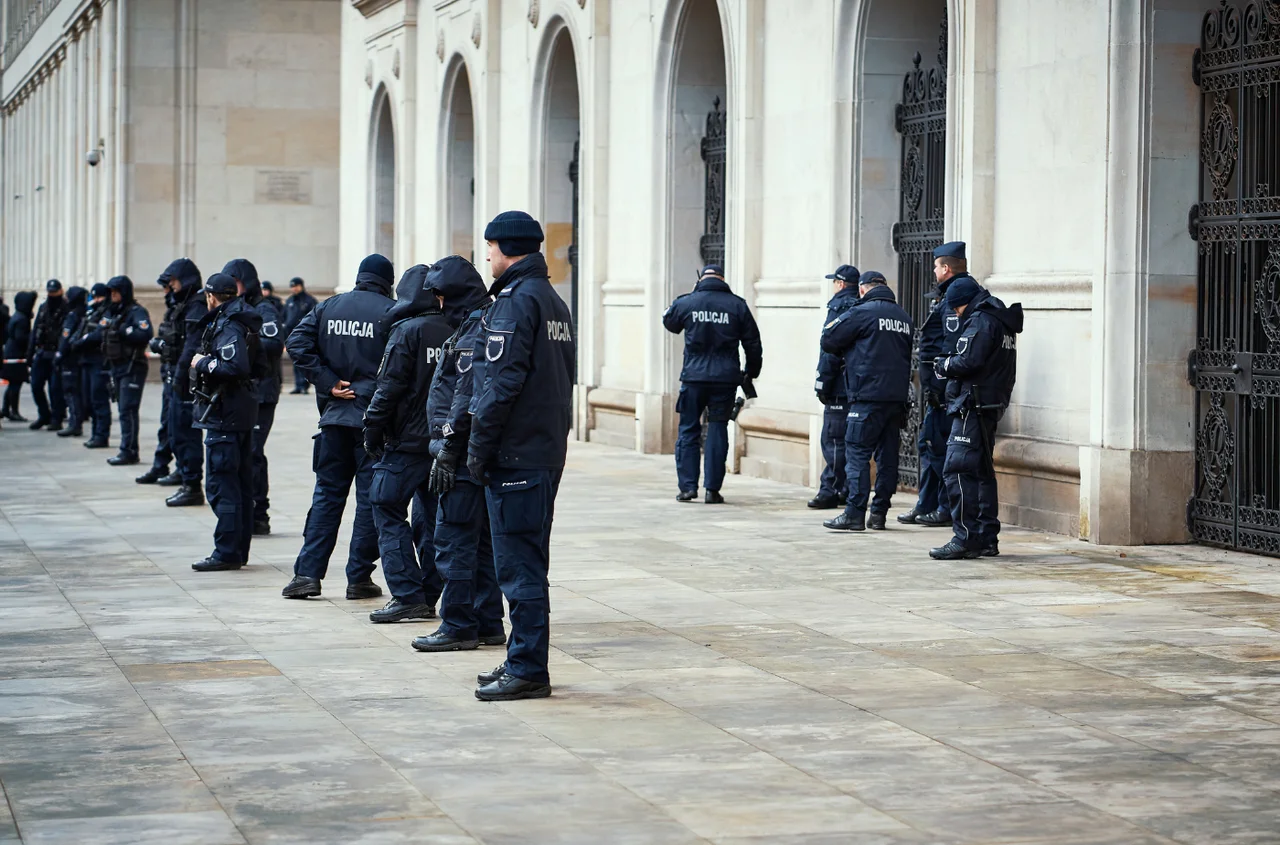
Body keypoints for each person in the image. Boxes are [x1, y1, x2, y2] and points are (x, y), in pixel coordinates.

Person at [468, 211, 574, 702]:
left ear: (506, 248)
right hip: (542, 450)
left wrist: (475, 449)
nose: (485, 255)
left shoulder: (516, 303)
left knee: (519, 565)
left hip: (516, 455)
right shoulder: (552, 300)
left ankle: (529, 667)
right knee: (527, 558)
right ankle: (520, 657)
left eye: (489, 247)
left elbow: (499, 384)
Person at [281, 255, 395, 601]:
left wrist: (328, 382)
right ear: (387, 281)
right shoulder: (391, 312)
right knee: (368, 502)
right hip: (371, 423)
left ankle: (306, 575)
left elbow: (296, 343)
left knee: (327, 497)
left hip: (334, 420)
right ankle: (358, 578)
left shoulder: (330, 306)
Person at [415, 257, 507, 653]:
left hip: (462, 454)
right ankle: (487, 621)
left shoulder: (473, 330)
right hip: (473, 451)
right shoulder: (478, 321)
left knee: (454, 541)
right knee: (482, 542)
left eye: (439, 296)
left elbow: (466, 394)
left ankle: (457, 625)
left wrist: (447, 449)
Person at [362, 263, 458, 624]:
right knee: (432, 519)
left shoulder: (406, 331)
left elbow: (388, 389)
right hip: (440, 445)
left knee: (385, 506)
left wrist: (371, 429)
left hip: (404, 444)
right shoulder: (454, 327)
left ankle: (407, 594)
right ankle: (430, 591)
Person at [930, 277, 1023, 560]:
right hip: (988, 404)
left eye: (957, 310)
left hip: (972, 404)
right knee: (981, 472)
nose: (957, 315)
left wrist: (944, 365)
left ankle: (965, 538)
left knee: (958, 469)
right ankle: (985, 537)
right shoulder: (1001, 319)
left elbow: (969, 360)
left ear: (965, 303)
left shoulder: (982, 321)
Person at [819, 271, 913, 532]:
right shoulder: (903, 317)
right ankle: (879, 514)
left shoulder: (862, 312)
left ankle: (854, 513)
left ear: (862, 290)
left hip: (866, 396)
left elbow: (828, 339)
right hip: (895, 399)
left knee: (857, 454)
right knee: (888, 457)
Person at [662, 264, 764, 504]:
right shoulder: (737, 305)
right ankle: (712, 489)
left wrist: (690, 294)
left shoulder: (688, 302)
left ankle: (687, 487)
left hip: (693, 378)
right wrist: (751, 373)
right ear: (722, 279)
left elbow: (669, 322)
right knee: (718, 429)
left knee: (688, 429)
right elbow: (753, 343)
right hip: (725, 378)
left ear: (701, 280)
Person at [189, 274, 265, 572]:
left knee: (224, 485)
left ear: (211, 296)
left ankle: (227, 551)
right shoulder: (240, 319)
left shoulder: (229, 324)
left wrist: (201, 362)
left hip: (226, 413)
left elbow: (236, 366)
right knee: (240, 484)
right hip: (238, 411)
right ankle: (237, 550)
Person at [899, 242, 972, 528]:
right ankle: (926, 503)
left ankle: (942, 507)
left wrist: (938, 388)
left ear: (945, 268)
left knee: (940, 450)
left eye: (935, 266)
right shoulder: (946, 296)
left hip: (945, 391)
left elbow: (950, 346)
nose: (933, 271)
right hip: (936, 389)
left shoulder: (957, 296)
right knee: (928, 446)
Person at [223, 259, 283, 535]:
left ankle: (260, 513)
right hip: (244, 391)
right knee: (245, 453)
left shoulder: (263, 309)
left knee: (255, 452)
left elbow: (274, 342)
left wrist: (246, 337)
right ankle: (249, 510)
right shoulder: (236, 309)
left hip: (263, 391)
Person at [149, 260, 208, 502]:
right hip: (174, 375)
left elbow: (191, 346)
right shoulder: (181, 305)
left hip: (185, 381)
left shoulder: (195, 306)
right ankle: (183, 473)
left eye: (172, 282)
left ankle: (192, 484)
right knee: (173, 430)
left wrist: (181, 377)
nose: (170, 288)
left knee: (185, 433)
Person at [811, 264, 861, 509]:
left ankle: (830, 489)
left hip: (839, 387)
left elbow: (829, 349)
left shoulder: (838, 307)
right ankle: (847, 489)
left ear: (840, 284)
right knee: (852, 442)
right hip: (857, 386)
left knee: (833, 440)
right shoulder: (862, 307)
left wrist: (823, 382)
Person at [102, 276, 154, 466]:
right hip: (117, 366)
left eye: (116, 291)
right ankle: (127, 448)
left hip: (132, 366)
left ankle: (129, 450)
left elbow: (145, 333)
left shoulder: (136, 312)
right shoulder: (114, 311)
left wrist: (124, 330)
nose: (113, 295)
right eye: (111, 292)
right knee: (123, 409)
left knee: (128, 409)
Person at [72, 284, 113, 449]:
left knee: (99, 400)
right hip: (87, 361)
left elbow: (97, 335)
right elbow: (81, 332)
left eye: (99, 297)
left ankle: (101, 435)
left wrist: (82, 341)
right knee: (90, 400)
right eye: (94, 297)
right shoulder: (92, 312)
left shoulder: (107, 312)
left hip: (99, 362)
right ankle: (96, 434)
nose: (96, 301)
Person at [28, 279, 68, 430]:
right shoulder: (44, 307)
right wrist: (29, 353)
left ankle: (56, 418)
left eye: (54, 291)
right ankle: (44, 414)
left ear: (60, 291)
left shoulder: (66, 308)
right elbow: (36, 329)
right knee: (36, 385)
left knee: (55, 388)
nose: (52, 294)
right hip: (42, 351)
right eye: (50, 292)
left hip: (57, 352)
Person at [54, 286, 88, 437]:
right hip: (81, 358)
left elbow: (65, 337)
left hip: (70, 358)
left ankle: (74, 423)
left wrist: (59, 355)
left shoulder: (72, 315)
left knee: (70, 391)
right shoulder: (86, 312)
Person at [3, 291, 35, 422]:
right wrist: (32, 338)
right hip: (16, 354)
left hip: (12, 353)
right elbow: (20, 337)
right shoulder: (22, 319)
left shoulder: (18, 316)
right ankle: (13, 411)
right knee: (15, 384)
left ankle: (6, 409)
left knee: (12, 384)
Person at [285, 277, 318, 395]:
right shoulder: (290, 301)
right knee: (295, 361)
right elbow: (285, 318)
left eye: (296, 286)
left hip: (305, 336)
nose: (294, 289)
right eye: (292, 286)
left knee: (304, 360)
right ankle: (298, 385)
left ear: (301, 286)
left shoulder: (309, 301)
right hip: (291, 335)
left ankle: (304, 385)